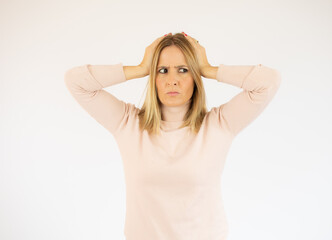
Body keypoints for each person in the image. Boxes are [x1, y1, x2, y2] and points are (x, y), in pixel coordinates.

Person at [64, 32, 281, 240]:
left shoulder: (218, 125)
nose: (173, 80)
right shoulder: (128, 123)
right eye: (163, 70)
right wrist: (140, 68)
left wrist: (208, 68)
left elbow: (268, 81)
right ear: (153, 77)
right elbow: (76, 81)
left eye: (183, 70)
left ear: (195, 77)